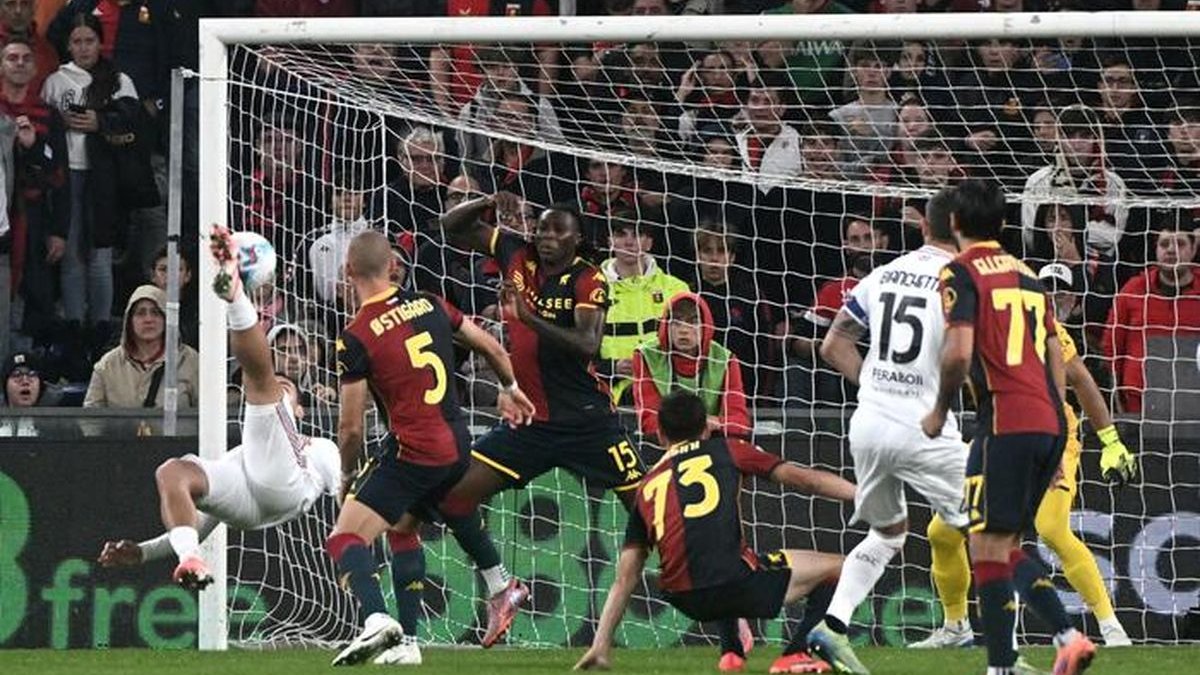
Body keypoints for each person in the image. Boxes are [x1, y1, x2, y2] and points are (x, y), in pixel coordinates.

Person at [436, 195, 649, 646]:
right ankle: (502, 588)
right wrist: (488, 199)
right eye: (543, 228)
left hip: (589, 424)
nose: (547, 237)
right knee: (452, 498)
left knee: (652, 515)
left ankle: (729, 606)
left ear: (578, 238)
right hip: (530, 423)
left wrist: (527, 317)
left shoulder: (588, 278)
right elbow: (451, 225)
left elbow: (588, 344)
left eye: (558, 231)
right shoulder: (515, 252)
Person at [326, 230, 535, 666]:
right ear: (393, 268)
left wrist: (346, 474)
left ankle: (376, 619)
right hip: (456, 443)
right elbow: (492, 346)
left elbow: (350, 427)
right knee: (404, 528)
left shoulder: (356, 335)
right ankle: (412, 641)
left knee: (345, 537)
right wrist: (510, 387)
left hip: (413, 451)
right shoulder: (431, 303)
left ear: (348, 272)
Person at [95, 226, 342, 596]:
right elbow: (201, 522)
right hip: (249, 498)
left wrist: (351, 541)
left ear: (302, 410)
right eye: (280, 382)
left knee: (261, 383)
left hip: (287, 488)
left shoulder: (319, 447)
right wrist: (143, 553)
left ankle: (236, 296)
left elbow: (344, 491)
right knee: (173, 471)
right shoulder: (241, 455)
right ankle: (191, 561)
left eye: (288, 387)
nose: (281, 385)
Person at [921, 179, 1097, 675]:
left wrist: (939, 410)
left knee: (984, 543)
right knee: (1005, 545)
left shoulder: (959, 271)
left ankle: (1010, 662)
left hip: (1004, 420)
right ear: (1001, 223)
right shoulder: (1028, 276)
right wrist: (1058, 429)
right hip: (1049, 421)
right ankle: (1063, 640)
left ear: (954, 222)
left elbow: (958, 354)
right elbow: (1055, 356)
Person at [913, 261, 1137, 652]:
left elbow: (1081, 380)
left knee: (1050, 529)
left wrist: (1110, 441)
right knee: (942, 532)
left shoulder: (1043, 328)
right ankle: (956, 626)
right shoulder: (969, 327)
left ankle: (1112, 628)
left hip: (1049, 434)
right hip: (996, 434)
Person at [800, 189, 968, 675]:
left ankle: (832, 626)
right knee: (994, 528)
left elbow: (832, 345)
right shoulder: (961, 279)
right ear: (963, 229)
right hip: (924, 425)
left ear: (923, 227)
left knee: (888, 532)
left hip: (869, 422)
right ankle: (1011, 654)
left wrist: (873, 384)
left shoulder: (882, 274)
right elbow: (966, 356)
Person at [574, 390, 855, 674]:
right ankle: (796, 653)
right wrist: (861, 495)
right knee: (845, 568)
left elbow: (625, 578)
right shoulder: (729, 449)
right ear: (706, 428)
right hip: (736, 585)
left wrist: (600, 644)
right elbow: (806, 481)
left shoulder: (646, 486)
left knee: (721, 555)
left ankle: (731, 651)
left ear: (660, 435)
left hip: (684, 599)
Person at [632, 292, 751, 441]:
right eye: (676, 321)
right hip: (665, 443)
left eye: (694, 321)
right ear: (665, 325)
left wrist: (717, 423)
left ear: (706, 325)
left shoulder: (725, 359)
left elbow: (740, 422)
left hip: (710, 442)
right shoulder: (646, 355)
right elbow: (649, 421)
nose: (684, 329)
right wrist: (695, 428)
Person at [82, 283, 199, 409]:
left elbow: (209, 411)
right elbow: (90, 416)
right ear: (129, 321)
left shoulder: (190, 360)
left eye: (155, 313)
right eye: (140, 313)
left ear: (166, 319)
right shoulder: (107, 365)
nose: (148, 319)